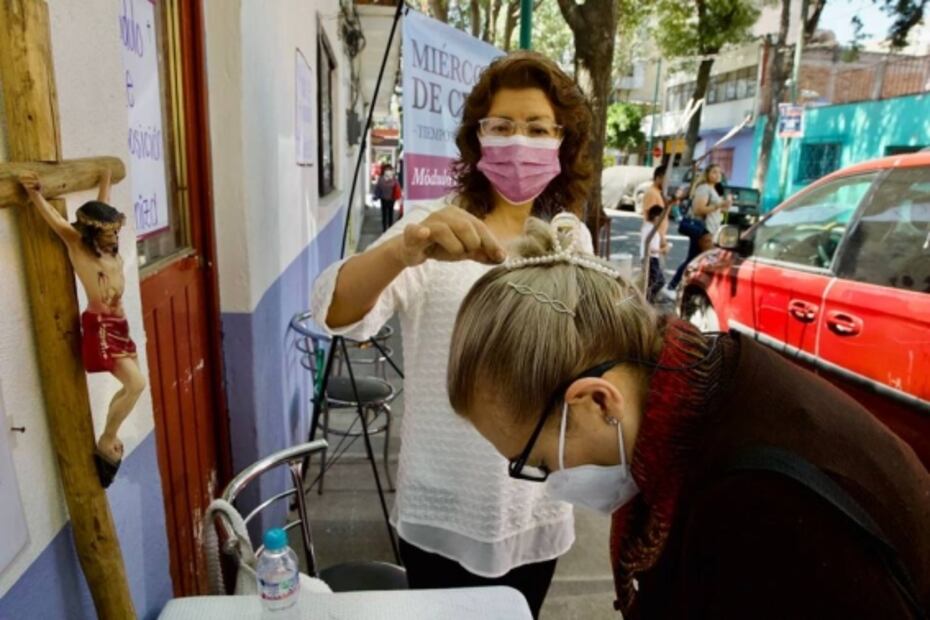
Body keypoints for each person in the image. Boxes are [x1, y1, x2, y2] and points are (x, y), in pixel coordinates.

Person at [446, 214, 930, 619]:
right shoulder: (703, 374)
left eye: (541, 464)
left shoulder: (748, 502)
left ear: (597, 401)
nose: (550, 483)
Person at [311, 51, 594, 618]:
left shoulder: (570, 241)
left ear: (562, 144)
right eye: (503, 125)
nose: (521, 140)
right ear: (477, 138)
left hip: (535, 504)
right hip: (440, 506)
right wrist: (402, 251)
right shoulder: (430, 227)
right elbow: (334, 311)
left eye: (539, 128)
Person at [19, 170, 146, 488]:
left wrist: (104, 181)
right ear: (91, 233)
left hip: (120, 323)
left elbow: (102, 207)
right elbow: (55, 222)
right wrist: (35, 194)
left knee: (133, 388)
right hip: (101, 326)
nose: (113, 238)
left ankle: (108, 436)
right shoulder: (78, 246)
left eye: (115, 232)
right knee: (136, 384)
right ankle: (107, 438)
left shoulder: (109, 245)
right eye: (107, 234)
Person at [667, 163, 732, 292]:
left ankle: (675, 286)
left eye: (719, 172)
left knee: (694, 259)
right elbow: (698, 209)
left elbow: (717, 209)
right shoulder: (704, 188)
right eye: (714, 172)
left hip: (710, 229)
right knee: (702, 261)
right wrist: (719, 205)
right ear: (707, 174)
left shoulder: (713, 189)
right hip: (703, 230)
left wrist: (726, 204)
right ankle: (676, 286)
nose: (717, 175)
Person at [640, 165, 677, 303]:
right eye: (666, 179)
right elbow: (651, 217)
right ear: (658, 178)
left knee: (654, 278)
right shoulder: (652, 193)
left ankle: (648, 300)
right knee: (654, 279)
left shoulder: (658, 193)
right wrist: (662, 241)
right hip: (654, 237)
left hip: (657, 236)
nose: (668, 182)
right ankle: (647, 301)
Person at [374, 163, 401, 232]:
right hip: (386, 199)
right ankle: (386, 230)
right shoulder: (388, 179)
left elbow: (378, 188)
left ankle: (387, 230)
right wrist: (376, 196)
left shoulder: (390, 179)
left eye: (390, 169)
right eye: (388, 169)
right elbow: (378, 188)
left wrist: (376, 196)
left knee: (388, 214)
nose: (389, 171)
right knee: (386, 214)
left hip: (390, 199)